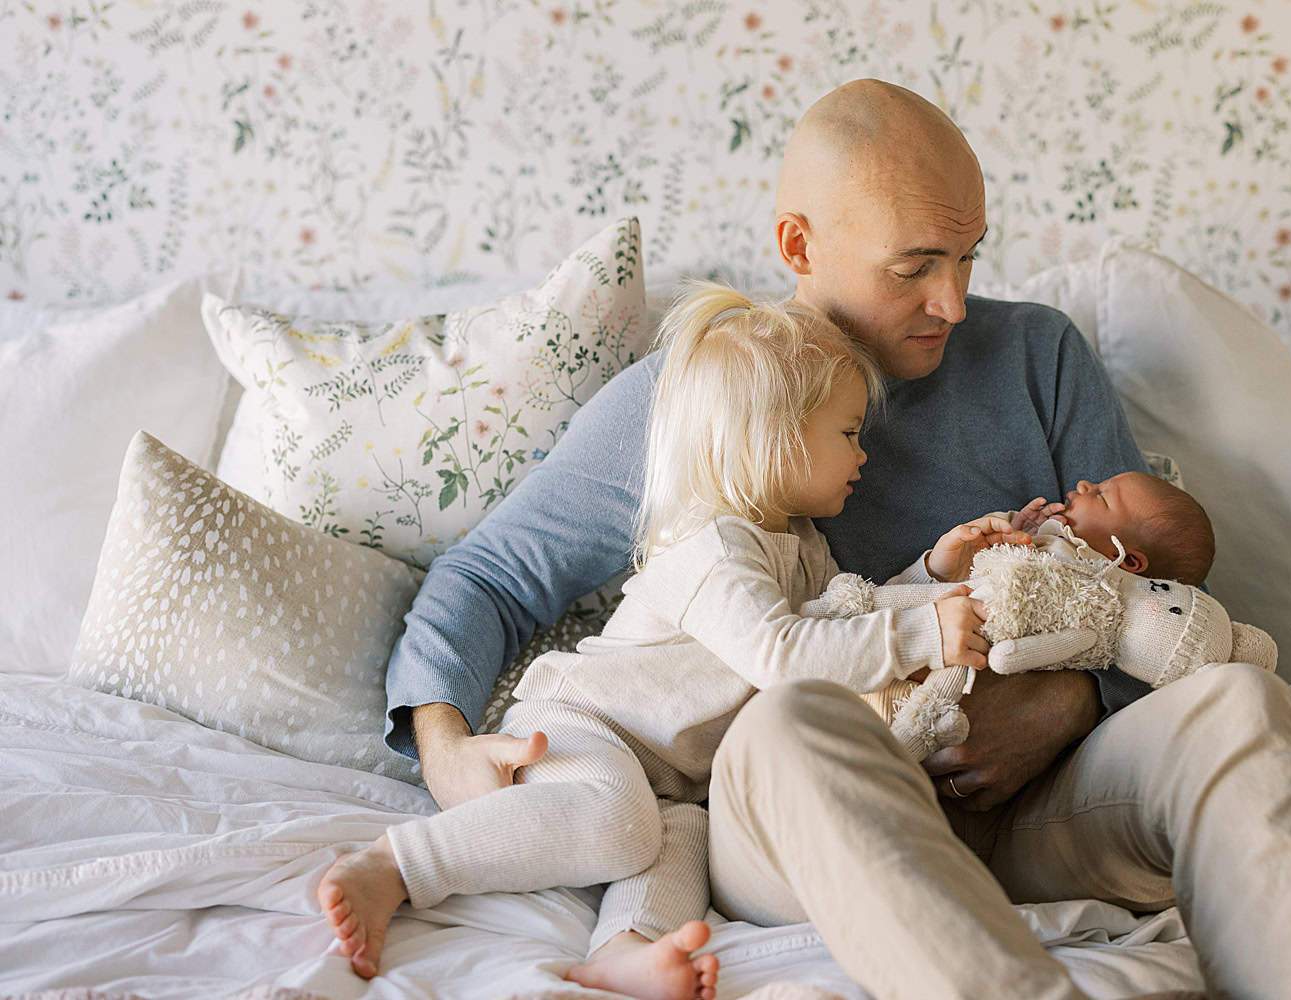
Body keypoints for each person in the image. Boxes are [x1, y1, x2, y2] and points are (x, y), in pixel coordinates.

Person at [386, 79, 1291, 998]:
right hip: (805, 818)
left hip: (1050, 804)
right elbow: (488, 574)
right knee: (794, 720)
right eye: (917, 266)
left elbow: (1146, 593)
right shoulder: (692, 398)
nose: (953, 303)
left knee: (1242, 698)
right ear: (799, 246)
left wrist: (1069, 700)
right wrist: (445, 752)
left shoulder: (1039, 356)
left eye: (968, 258)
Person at [321, 284, 1019, 994]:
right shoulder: (710, 547)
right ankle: (396, 865)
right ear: (771, 439)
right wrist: (922, 630)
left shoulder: (800, 544)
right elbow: (781, 656)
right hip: (584, 726)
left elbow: (837, 623)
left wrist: (931, 574)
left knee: (677, 846)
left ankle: (623, 953)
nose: (861, 455)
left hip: (674, 777)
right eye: (846, 434)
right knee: (620, 821)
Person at [1008, 470, 1215, 585]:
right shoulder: (1052, 538)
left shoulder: (1094, 593)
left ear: (1126, 558)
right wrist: (1022, 534)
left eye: (1101, 496)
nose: (1083, 484)